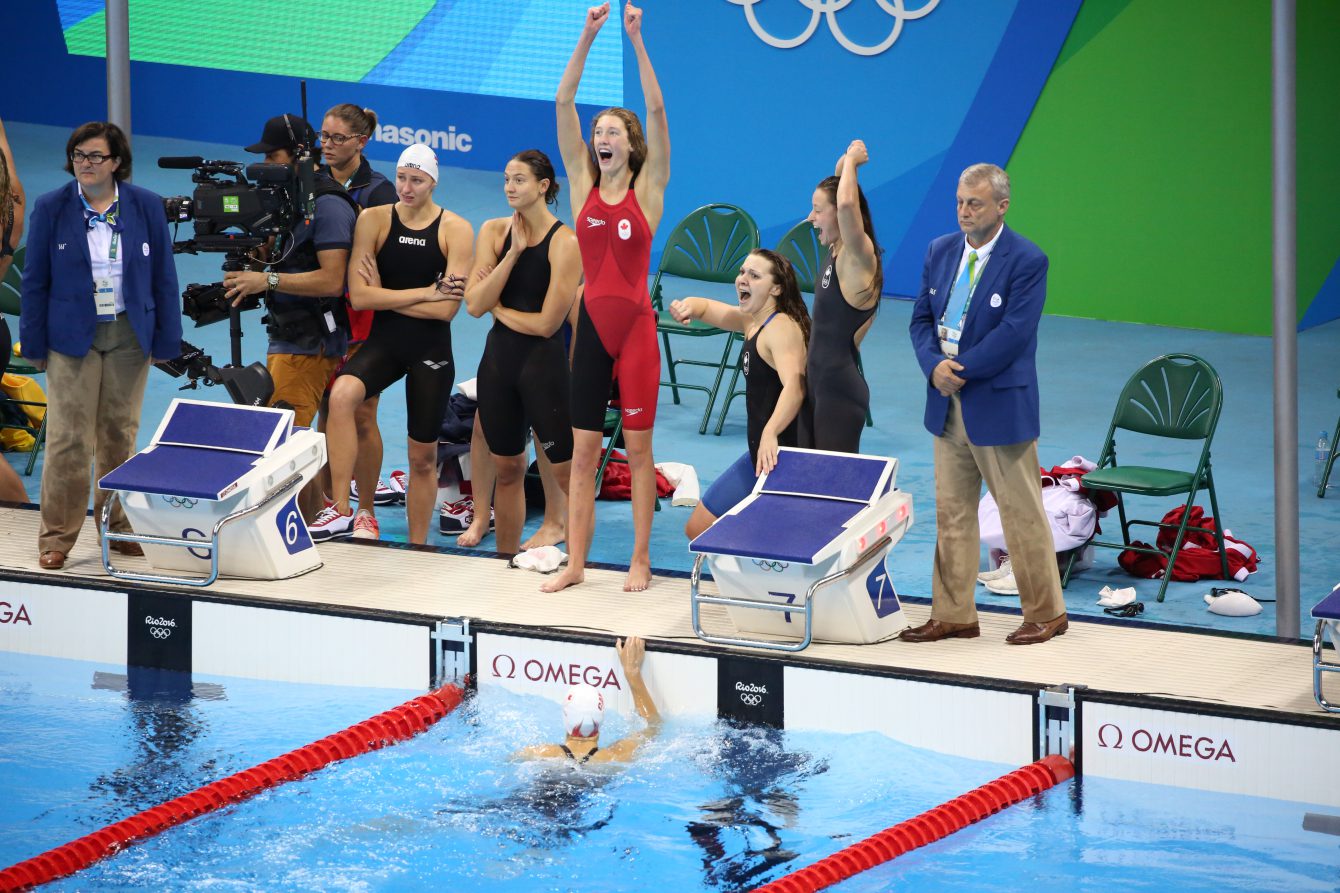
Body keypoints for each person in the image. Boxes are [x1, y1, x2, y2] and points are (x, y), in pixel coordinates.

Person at [903, 163, 1068, 646]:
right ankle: (953, 613)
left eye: (974, 203)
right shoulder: (939, 251)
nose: (964, 212)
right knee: (952, 513)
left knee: (1021, 514)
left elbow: (1015, 334)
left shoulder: (1027, 260)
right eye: (959, 201)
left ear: (1002, 206)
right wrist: (933, 366)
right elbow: (920, 320)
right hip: (947, 402)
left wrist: (960, 370)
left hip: (996, 405)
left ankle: (1047, 612)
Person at [543, 1, 670, 594]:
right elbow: (565, 103)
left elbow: (657, 108)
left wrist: (638, 41)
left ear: (632, 145)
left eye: (612, 132)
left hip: (638, 331)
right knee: (584, 453)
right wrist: (587, 35)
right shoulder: (580, 184)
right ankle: (576, 563)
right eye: (599, 134)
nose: (601, 139)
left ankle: (640, 558)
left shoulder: (648, 189)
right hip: (592, 328)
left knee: (640, 453)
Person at [20, 122, 181, 569]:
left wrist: (167, 339)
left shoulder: (145, 206)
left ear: (116, 162)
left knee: (120, 437)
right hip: (71, 338)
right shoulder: (52, 207)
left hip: (130, 335)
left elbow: (164, 279)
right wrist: (32, 342)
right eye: (78, 155)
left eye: (95, 156)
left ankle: (118, 528)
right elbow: (35, 281)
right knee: (69, 439)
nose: (85, 164)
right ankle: (56, 538)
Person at [318, 144, 473, 544]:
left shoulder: (455, 229)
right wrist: (425, 291)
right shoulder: (373, 219)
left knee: (422, 458)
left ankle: (417, 546)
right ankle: (343, 509)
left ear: (433, 182)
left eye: (416, 180)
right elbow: (361, 297)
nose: (406, 187)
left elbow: (446, 313)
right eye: (402, 177)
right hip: (384, 342)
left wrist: (385, 291)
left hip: (431, 352)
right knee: (341, 396)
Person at [223, 114, 356, 523]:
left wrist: (268, 279)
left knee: (286, 441)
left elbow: (334, 280)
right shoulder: (289, 199)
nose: (266, 166)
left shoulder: (329, 205)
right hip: (288, 332)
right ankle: (313, 516)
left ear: (299, 155)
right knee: (290, 438)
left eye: (273, 156)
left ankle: (302, 524)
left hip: (309, 340)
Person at [463, 150, 580, 555]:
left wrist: (498, 307)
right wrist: (511, 254)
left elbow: (547, 324)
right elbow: (474, 305)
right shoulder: (494, 232)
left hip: (542, 367)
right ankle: (506, 561)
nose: (510, 188)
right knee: (508, 469)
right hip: (498, 363)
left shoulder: (565, 243)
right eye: (507, 179)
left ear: (543, 186)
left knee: (567, 476)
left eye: (520, 180)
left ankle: (577, 562)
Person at [671, 250, 809, 539]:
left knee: (770, 543)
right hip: (758, 456)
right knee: (697, 529)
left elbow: (795, 387)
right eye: (742, 272)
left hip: (785, 461)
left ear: (776, 288)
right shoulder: (753, 321)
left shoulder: (781, 329)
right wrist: (689, 307)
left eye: (754, 275)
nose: (742, 279)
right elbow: (710, 309)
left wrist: (771, 431)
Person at [318, 104, 398, 537]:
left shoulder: (380, 191)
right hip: (318, 317)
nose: (327, 145)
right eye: (324, 136)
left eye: (337, 138)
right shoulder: (309, 181)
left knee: (362, 413)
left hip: (364, 322)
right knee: (325, 413)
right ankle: (333, 504)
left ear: (360, 143)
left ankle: (365, 510)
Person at [799, 140, 883, 454]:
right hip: (817, 385)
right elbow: (842, 194)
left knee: (835, 492)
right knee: (809, 482)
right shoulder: (838, 250)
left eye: (818, 211)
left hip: (839, 394)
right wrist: (845, 166)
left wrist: (851, 159)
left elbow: (847, 204)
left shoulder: (859, 257)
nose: (810, 218)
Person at [515, 635, 660, 763]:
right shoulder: (612, 757)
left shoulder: (537, 754)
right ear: (601, 718)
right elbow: (653, 726)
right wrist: (631, 671)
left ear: (565, 717)